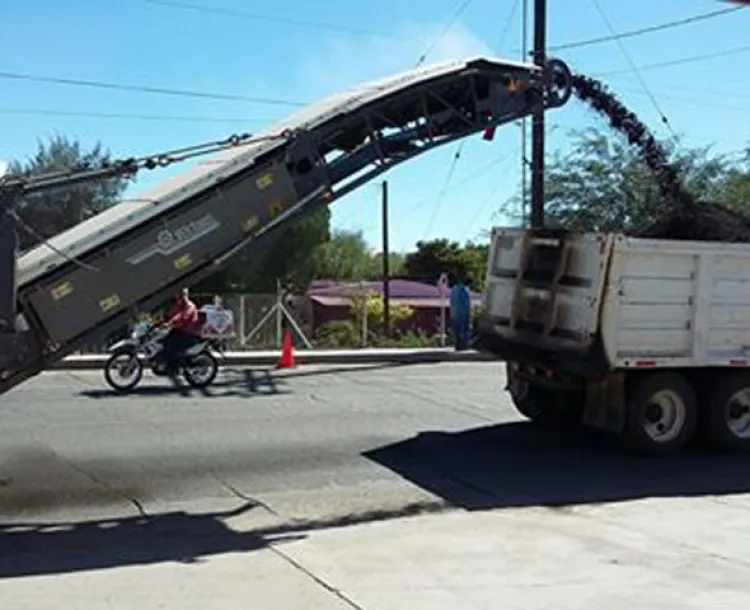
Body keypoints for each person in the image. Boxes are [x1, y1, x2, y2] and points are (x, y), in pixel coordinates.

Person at [160, 288, 203, 374]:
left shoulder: (190, 306)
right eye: (178, 295)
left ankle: (174, 368)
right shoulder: (178, 305)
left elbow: (183, 317)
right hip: (179, 331)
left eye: (181, 295)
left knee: (172, 346)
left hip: (189, 333)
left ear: (185, 295)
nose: (179, 297)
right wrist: (162, 322)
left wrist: (170, 323)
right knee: (162, 341)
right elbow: (171, 314)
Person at [449, 275, 471, 351]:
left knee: (457, 330)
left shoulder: (455, 289)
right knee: (463, 330)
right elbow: (466, 303)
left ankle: (459, 345)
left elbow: (452, 301)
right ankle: (463, 345)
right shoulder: (464, 290)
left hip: (455, 312)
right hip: (462, 312)